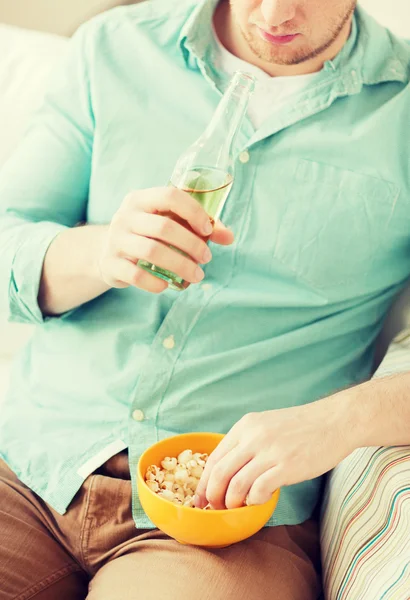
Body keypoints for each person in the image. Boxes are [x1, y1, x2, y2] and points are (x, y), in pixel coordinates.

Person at [1, 0, 410, 597]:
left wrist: (338, 422)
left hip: (231, 519)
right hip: (33, 464)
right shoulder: (113, 49)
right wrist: (100, 252)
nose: (275, 13)